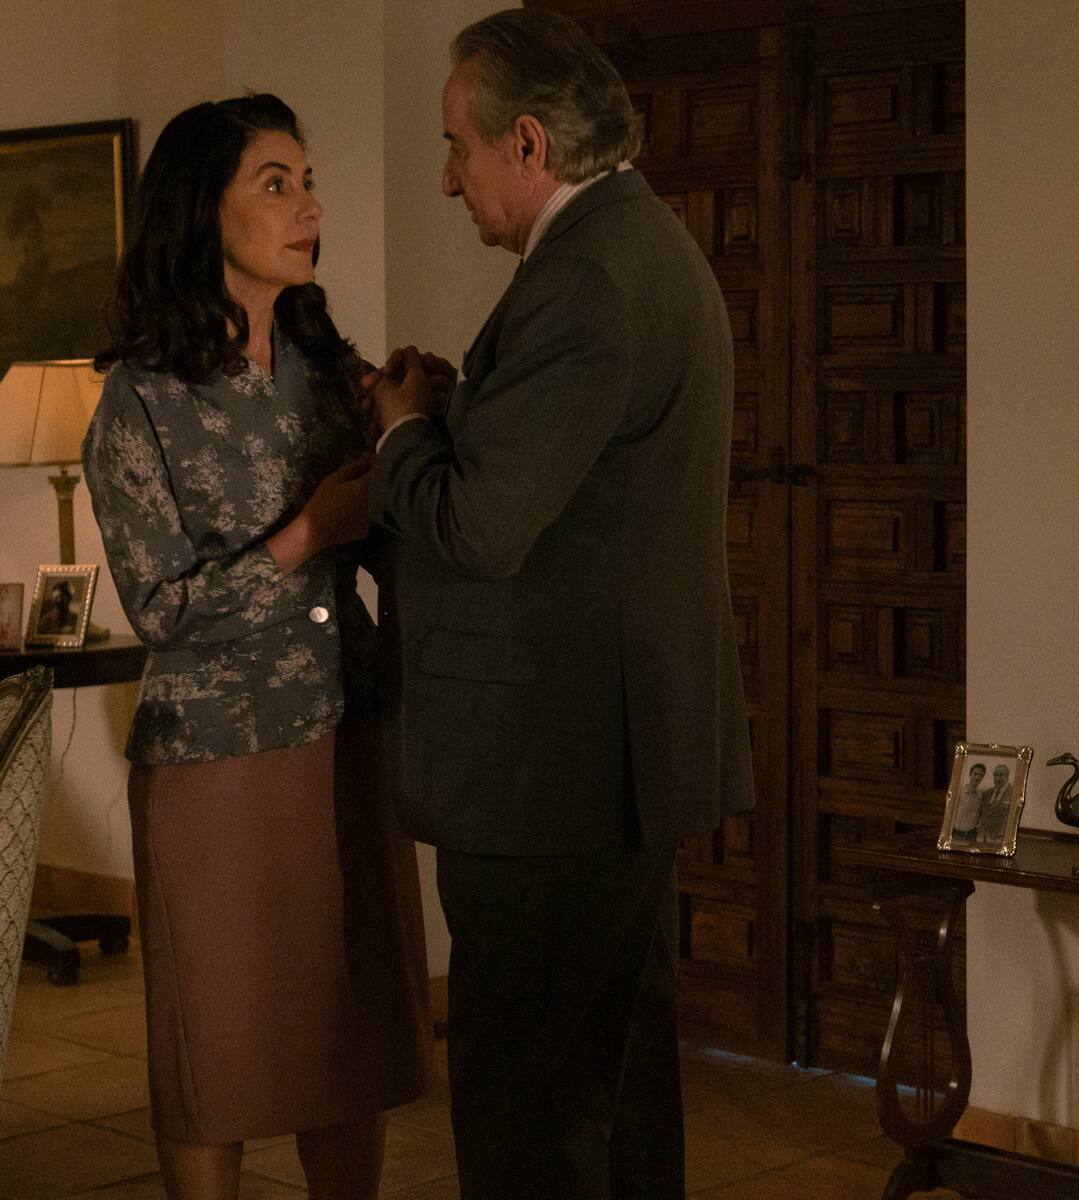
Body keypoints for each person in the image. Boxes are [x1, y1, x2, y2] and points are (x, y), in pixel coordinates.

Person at [361, 10, 755, 1199]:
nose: (447, 179)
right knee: (613, 1095)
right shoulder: (641, 244)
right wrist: (464, 416)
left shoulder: (586, 276)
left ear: (527, 144)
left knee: (530, 1113)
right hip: (604, 759)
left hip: (550, 771)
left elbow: (481, 528)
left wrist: (405, 431)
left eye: (457, 147)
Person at [82, 95, 430, 1200]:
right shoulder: (138, 399)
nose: (308, 206)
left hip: (345, 735)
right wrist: (308, 534)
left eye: (307, 180)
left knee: (348, 1035)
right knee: (216, 1050)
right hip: (214, 760)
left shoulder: (331, 371)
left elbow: (404, 534)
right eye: (275, 184)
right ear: (202, 209)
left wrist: (423, 426)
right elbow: (160, 609)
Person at [979, 762, 1015, 845]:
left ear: (1007, 777)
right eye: (996, 775)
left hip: (1001, 839)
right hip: (983, 837)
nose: (998, 778)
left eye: (1001, 775)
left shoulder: (1014, 793)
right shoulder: (986, 793)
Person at [952, 761, 987, 841]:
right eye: (975, 774)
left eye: (980, 775)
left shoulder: (981, 795)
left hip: (972, 835)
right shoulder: (958, 792)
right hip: (957, 834)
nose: (977, 777)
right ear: (970, 775)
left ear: (982, 777)